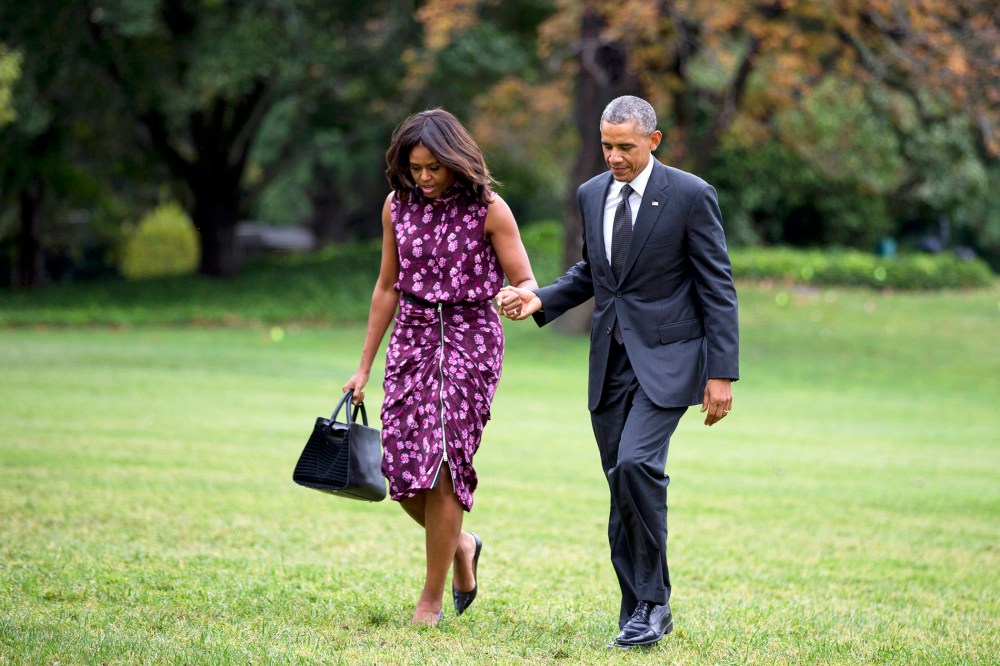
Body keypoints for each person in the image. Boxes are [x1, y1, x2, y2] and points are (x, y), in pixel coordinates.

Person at [498, 95, 739, 648]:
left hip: (671, 360)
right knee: (620, 485)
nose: (614, 156)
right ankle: (637, 608)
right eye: (607, 145)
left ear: (654, 141)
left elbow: (717, 286)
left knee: (636, 466)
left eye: (625, 146)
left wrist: (721, 372)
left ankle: (654, 602)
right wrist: (542, 300)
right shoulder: (591, 195)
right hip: (608, 362)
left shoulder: (690, 194)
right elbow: (596, 271)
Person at [343, 108, 537, 626]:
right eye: (415, 168)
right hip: (412, 335)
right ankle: (462, 546)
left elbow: (527, 280)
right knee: (403, 470)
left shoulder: (490, 209)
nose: (424, 178)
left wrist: (519, 298)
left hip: (472, 339)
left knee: (447, 461)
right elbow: (386, 287)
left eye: (433, 167)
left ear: (455, 160)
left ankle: (429, 601)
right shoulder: (396, 206)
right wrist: (363, 367)